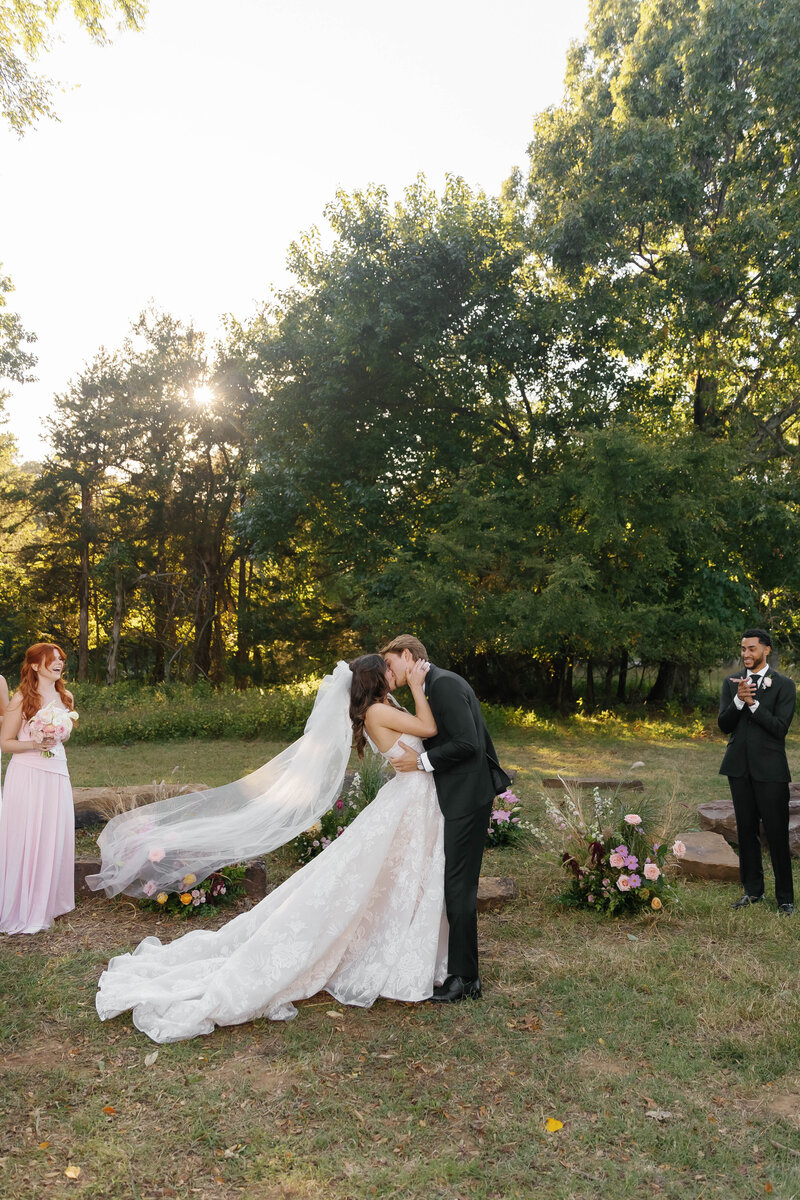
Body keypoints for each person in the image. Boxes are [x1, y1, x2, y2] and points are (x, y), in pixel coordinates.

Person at [96, 655, 449, 1043]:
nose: (393, 672)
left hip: (413, 798)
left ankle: (402, 944)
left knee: (390, 876)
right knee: (371, 878)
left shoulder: (379, 709)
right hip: (408, 798)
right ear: (376, 678)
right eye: (387, 669)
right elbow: (429, 727)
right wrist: (417, 685)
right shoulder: (380, 711)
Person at [381, 634, 511, 1002]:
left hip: (468, 798)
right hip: (458, 796)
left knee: (459, 886)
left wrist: (420, 762)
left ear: (408, 656)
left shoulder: (444, 685)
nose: (388, 672)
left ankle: (466, 979)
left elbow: (469, 743)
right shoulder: (432, 685)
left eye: (391, 664)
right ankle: (460, 971)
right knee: (455, 883)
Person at [719, 629, 795, 916]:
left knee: (776, 833)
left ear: (766, 650)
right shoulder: (732, 683)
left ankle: (785, 898)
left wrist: (752, 703)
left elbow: (779, 728)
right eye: (742, 649)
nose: (746, 654)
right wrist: (738, 700)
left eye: (751, 649)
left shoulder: (784, 685)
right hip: (738, 769)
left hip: (771, 771)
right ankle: (753, 891)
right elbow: (724, 726)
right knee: (746, 831)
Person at [0, 644, 76, 934]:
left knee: (52, 835)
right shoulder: (21, 699)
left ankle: (47, 903)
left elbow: (61, 737)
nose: (58, 663)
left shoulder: (66, 697)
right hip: (28, 773)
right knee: (27, 836)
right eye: (52, 659)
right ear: (34, 665)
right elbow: (5, 743)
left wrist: (53, 734)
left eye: (60, 659)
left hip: (56, 772)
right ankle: (24, 906)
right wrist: (35, 742)